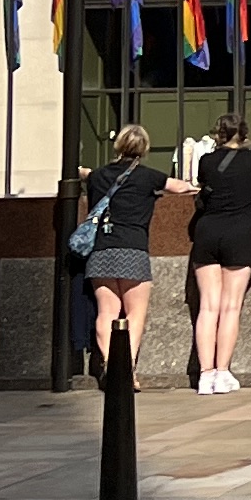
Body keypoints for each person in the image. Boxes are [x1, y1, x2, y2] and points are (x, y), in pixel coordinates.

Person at [187, 113, 251, 393]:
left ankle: (205, 375)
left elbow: (202, 185)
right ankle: (222, 372)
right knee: (231, 307)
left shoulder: (207, 161)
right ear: (244, 133)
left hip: (207, 232)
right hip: (241, 232)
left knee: (207, 307)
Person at [83, 123, 166, 380]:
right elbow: (179, 186)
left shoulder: (97, 176)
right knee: (135, 314)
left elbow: (86, 177)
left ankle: (110, 364)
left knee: (106, 312)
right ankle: (126, 371)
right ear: (144, 148)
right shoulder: (149, 177)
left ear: (118, 145)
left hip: (101, 250)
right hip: (133, 249)